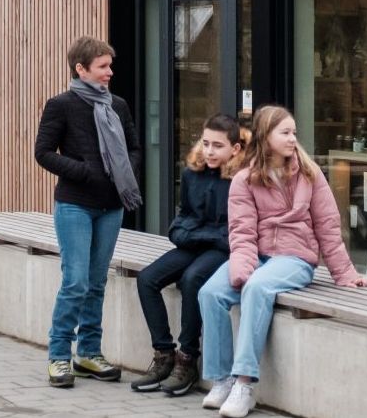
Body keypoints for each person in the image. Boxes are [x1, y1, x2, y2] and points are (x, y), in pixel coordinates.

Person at [198, 105, 367, 418]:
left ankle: (244, 383)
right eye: (285, 132)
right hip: (257, 254)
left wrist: (344, 272)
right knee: (210, 293)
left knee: (258, 288)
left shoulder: (309, 173)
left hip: (295, 257)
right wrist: (240, 271)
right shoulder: (244, 180)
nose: (293, 138)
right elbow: (242, 232)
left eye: (293, 132)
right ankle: (221, 380)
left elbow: (328, 224)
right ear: (266, 136)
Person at [35, 36, 142, 387]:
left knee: (96, 283)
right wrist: (84, 171)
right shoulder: (61, 105)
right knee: (76, 281)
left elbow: (134, 148)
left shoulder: (119, 106)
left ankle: (89, 353)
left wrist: (125, 171)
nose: (110, 72)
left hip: (112, 206)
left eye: (110, 65)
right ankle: (59, 356)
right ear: (81, 69)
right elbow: (44, 152)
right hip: (74, 205)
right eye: (103, 66)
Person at [131, 114, 249, 396]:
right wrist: (185, 233)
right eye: (206, 143)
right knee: (147, 278)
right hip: (193, 243)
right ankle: (164, 354)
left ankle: (187, 359)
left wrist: (195, 234)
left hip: (222, 249)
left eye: (218, 146)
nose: (209, 151)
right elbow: (182, 218)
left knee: (193, 278)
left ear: (235, 149)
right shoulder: (191, 173)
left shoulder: (241, 180)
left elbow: (232, 232)